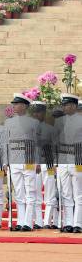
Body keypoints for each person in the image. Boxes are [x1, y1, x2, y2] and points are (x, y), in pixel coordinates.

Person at [4, 93, 40, 231]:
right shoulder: (8, 122)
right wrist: (5, 162)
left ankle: (28, 222)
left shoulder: (34, 123)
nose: (14, 106)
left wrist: (37, 162)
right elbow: (6, 143)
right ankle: (20, 221)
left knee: (30, 192)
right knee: (19, 193)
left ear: (24, 106)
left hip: (29, 160)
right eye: (13, 104)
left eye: (17, 104)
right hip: (14, 161)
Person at [56, 93, 82, 233]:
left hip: (77, 160)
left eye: (66, 105)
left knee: (78, 194)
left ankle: (78, 223)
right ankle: (68, 223)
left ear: (73, 105)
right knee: (66, 194)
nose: (64, 107)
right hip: (63, 161)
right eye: (63, 105)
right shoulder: (59, 121)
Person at [30, 101, 58, 229]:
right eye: (34, 112)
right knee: (35, 194)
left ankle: (47, 221)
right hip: (34, 166)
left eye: (39, 112)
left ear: (43, 113)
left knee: (50, 194)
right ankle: (38, 221)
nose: (36, 114)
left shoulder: (51, 129)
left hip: (49, 164)